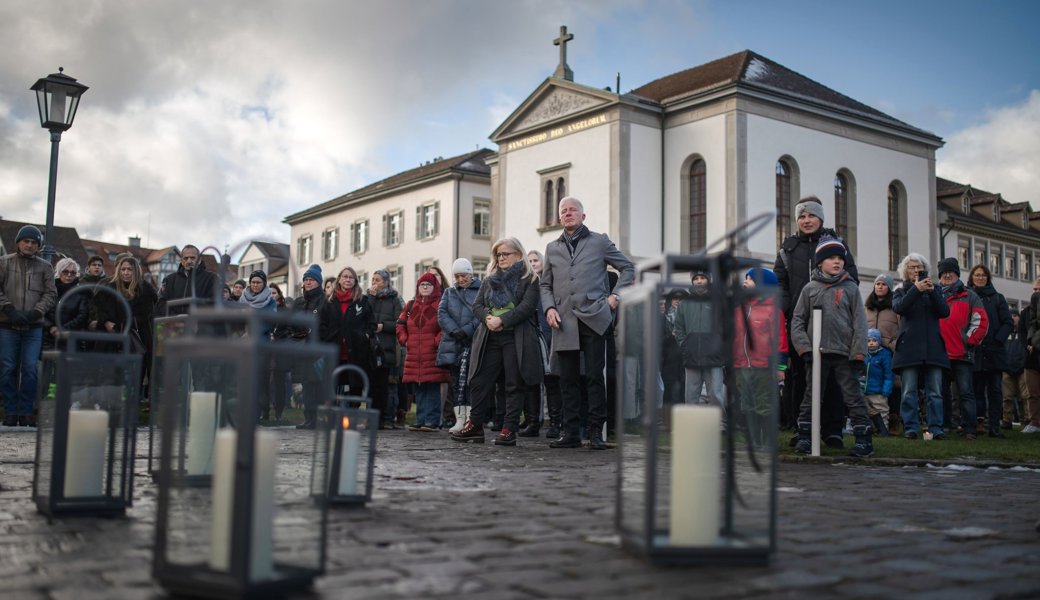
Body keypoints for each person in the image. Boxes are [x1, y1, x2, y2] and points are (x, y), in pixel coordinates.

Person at [540, 196, 635, 450]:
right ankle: (570, 433)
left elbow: (628, 268)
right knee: (567, 379)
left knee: (594, 377)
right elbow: (545, 284)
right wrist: (549, 307)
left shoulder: (599, 242)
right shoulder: (552, 248)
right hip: (564, 320)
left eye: (573, 210)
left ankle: (595, 433)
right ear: (559, 218)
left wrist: (615, 297)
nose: (568, 213)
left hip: (595, 316)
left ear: (583, 216)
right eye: (564, 211)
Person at [774, 196, 859, 445]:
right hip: (801, 323)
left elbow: (850, 274)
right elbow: (780, 283)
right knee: (800, 377)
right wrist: (787, 308)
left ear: (820, 217)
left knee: (833, 378)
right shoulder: (787, 249)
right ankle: (802, 429)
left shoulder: (836, 244)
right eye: (802, 216)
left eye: (811, 215)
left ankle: (832, 430)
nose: (806, 220)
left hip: (834, 321)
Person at [452, 238, 543, 446]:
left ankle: (509, 429)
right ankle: (474, 426)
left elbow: (527, 307)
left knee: (513, 384)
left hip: (516, 336)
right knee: (479, 380)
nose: (501, 258)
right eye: (498, 255)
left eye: (505, 254)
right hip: (489, 336)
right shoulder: (490, 279)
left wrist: (503, 319)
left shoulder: (530, 279)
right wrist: (488, 319)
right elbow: (478, 305)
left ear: (518, 255)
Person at [789, 236, 873, 457]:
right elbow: (797, 321)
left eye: (840, 258)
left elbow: (860, 323)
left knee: (852, 396)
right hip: (816, 354)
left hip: (844, 353)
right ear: (820, 263)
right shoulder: (809, 289)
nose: (837, 262)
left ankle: (864, 439)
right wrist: (804, 348)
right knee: (811, 396)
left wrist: (858, 352)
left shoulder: (851, 289)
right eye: (831, 258)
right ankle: (805, 436)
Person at [0, 225, 56, 427]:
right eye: (26, 241)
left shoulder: (45, 267)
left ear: (38, 246)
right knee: (7, 369)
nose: (30, 245)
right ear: (18, 242)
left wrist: (37, 312)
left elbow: (51, 293)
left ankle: (25, 411)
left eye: (34, 242)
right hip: (7, 325)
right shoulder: (4, 263)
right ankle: (10, 411)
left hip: (33, 327)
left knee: (31, 369)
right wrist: (8, 309)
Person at [890, 253, 949, 440]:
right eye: (912, 267)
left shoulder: (935, 289)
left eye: (919, 267)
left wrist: (931, 292)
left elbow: (944, 312)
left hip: (933, 346)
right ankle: (911, 427)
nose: (916, 270)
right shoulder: (901, 290)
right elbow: (899, 308)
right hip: (909, 346)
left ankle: (936, 428)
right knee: (908, 391)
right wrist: (915, 289)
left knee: (935, 392)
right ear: (905, 271)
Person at [733, 268, 787, 445]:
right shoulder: (739, 309)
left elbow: (780, 340)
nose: (745, 282)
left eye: (750, 279)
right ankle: (753, 441)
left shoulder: (772, 310)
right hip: (742, 366)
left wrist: (780, 367)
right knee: (746, 404)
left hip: (763, 366)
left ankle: (768, 442)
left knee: (764, 404)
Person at [936, 257, 988, 438]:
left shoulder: (969, 296)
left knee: (966, 393)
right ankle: (944, 426)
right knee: (940, 393)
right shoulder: (934, 295)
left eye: (951, 272)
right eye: (943, 273)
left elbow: (980, 320)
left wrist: (968, 340)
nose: (947, 275)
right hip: (939, 353)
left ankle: (969, 429)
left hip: (962, 354)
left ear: (957, 274)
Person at [93, 255, 158, 395]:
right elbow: (100, 308)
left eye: (129, 269)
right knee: (109, 371)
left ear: (135, 271)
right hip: (111, 335)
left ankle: (133, 402)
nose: (126, 272)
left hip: (137, 334)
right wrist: (106, 321)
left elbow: (145, 313)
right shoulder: (109, 287)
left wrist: (126, 324)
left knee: (135, 371)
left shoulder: (145, 289)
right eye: (123, 269)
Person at [397, 272, 449, 431]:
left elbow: (445, 326)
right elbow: (400, 324)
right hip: (414, 354)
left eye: (428, 285)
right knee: (419, 387)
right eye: (422, 284)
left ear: (435, 287)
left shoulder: (440, 304)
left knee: (432, 387)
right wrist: (405, 339)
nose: (425, 287)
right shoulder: (411, 305)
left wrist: (436, 341)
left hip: (432, 353)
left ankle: (432, 421)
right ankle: (420, 419)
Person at [966, 264, 1013, 438]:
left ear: (988, 278)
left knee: (995, 391)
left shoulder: (998, 298)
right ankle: (978, 423)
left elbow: (1008, 322)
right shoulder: (968, 297)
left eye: (983, 275)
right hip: (976, 350)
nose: (980, 278)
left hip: (994, 351)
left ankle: (994, 427)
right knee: (976, 390)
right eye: (977, 275)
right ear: (972, 278)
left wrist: (998, 339)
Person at [437, 258, 482, 434]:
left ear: (470, 274)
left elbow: (482, 312)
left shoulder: (481, 289)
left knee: (471, 382)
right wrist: (454, 330)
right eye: (457, 276)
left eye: (463, 275)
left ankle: (470, 419)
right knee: (456, 382)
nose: (460, 279)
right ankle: (459, 419)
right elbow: (442, 313)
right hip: (453, 342)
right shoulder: (449, 292)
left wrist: (467, 330)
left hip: (472, 341)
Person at [320, 266, 374, 403]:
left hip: (356, 352)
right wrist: (326, 338)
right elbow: (321, 323)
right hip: (334, 351)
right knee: (332, 385)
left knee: (354, 387)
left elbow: (371, 324)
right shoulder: (329, 301)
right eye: (345, 276)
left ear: (355, 281)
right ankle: (332, 417)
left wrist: (365, 336)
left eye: (351, 277)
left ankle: (351, 418)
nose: (348, 280)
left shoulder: (362, 301)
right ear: (339, 280)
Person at [673, 270, 725, 412]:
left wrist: (720, 347)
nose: (699, 281)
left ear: (708, 280)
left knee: (715, 394)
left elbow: (727, 327)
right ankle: (691, 426)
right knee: (691, 395)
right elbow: (678, 327)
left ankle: (718, 426)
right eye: (696, 279)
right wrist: (685, 345)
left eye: (703, 278)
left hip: (714, 357)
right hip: (691, 356)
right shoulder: (684, 303)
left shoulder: (718, 302)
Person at [528, 249, 565, 439]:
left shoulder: (549, 284)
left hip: (549, 336)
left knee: (552, 381)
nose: (533, 263)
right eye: (530, 261)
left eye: (536, 260)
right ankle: (533, 421)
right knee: (533, 382)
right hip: (532, 338)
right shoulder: (527, 284)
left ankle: (556, 422)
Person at [287, 264, 327, 429]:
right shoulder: (299, 302)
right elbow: (290, 323)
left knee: (317, 385)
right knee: (306, 384)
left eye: (311, 280)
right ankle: (308, 417)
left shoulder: (324, 301)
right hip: (301, 348)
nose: (308, 283)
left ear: (319, 282)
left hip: (318, 349)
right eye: (306, 280)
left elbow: (326, 325)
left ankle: (318, 417)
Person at [366, 269, 404, 428]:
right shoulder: (368, 298)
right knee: (370, 385)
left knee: (385, 386)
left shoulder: (394, 299)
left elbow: (400, 322)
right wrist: (371, 298)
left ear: (386, 282)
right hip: (370, 347)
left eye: (378, 280)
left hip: (387, 347)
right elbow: (364, 316)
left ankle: (385, 419)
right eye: (373, 279)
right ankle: (370, 419)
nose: (374, 283)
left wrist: (384, 326)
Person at [864, 273, 900, 433]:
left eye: (883, 284)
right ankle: (873, 422)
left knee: (893, 385)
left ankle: (893, 420)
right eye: (877, 284)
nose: (880, 286)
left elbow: (900, 328)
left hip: (889, 352)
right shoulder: (867, 307)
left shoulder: (895, 307)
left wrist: (892, 344)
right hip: (870, 352)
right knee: (871, 387)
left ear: (889, 288)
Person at [42, 257, 90, 351]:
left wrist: (62, 328)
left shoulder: (81, 292)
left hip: (71, 337)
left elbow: (83, 315)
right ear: (59, 272)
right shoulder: (49, 290)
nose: (69, 275)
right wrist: (50, 326)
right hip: (48, 337)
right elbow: (41, 311)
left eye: (73, 273)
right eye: (65, 271)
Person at [157, 245, 220, 316]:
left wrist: (191, 318)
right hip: (174, 325)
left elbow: (214, 303)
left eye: (192, 258)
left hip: (199, 324)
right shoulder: (169, 280)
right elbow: (162, 303)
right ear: (181, 260)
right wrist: (175, 317)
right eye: (186, 258)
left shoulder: (211, 278)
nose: (189, 261)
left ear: (199, 259)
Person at [863, 328, 894, 436]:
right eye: (868, 341)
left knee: (881, 410)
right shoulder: (864, 355)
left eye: (874, 340)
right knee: (867, 411)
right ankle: (871, 429)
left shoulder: (885, 355)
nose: (871, 343)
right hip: (865, 389)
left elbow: (888, 374)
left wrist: (886, 390)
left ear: (879, 342)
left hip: (879, 390)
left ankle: (884, 428)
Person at [1002, 309, 1028, 429]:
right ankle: (1007, 421)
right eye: (1010, 315)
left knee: (1024, 397)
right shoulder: (1005, 332)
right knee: (1007, 397)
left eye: (1015, 315)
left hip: (1022, 369)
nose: (1012, 318)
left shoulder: (1025, 332)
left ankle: (1026, 421)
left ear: (1019, 317)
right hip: (1007, 369)